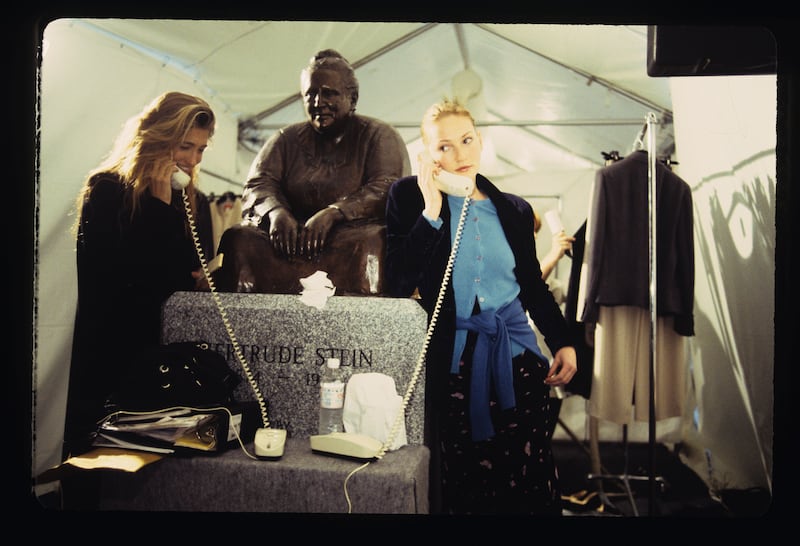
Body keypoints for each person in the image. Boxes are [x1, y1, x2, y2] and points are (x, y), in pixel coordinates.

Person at [385, 99, 577, 515]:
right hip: (453, 368)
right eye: (444, 147)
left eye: (467, 140)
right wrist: (433, 211)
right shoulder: (407, 197)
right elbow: (397, 283)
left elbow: (531, 286)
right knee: (466, 484)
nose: (459, 154)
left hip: (519, 359)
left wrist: (563, 341)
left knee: (529, 476)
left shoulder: (514, 208)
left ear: (481, 140)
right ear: (427, 155)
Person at [64, 91, 216, 459]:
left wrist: (199, 278)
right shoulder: (106, 189)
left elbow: (184, 272)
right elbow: (122, 276)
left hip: (162, 353)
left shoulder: (194, 200)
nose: (193, 160)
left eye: (201, 150)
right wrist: (159, 203)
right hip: (111, 352)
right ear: (157, 138)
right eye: (185, 146)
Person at [214, 49, 410, 295]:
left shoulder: (379, 135)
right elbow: (258, 185)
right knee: (238, 238)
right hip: (287, 240)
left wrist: (335, 213)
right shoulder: (285, 139)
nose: (318, 102)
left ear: (353, 98)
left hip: (347, 238)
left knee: (373, 241)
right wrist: (276, 213)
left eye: (329, 93)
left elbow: (387, 186)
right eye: (311, 94)